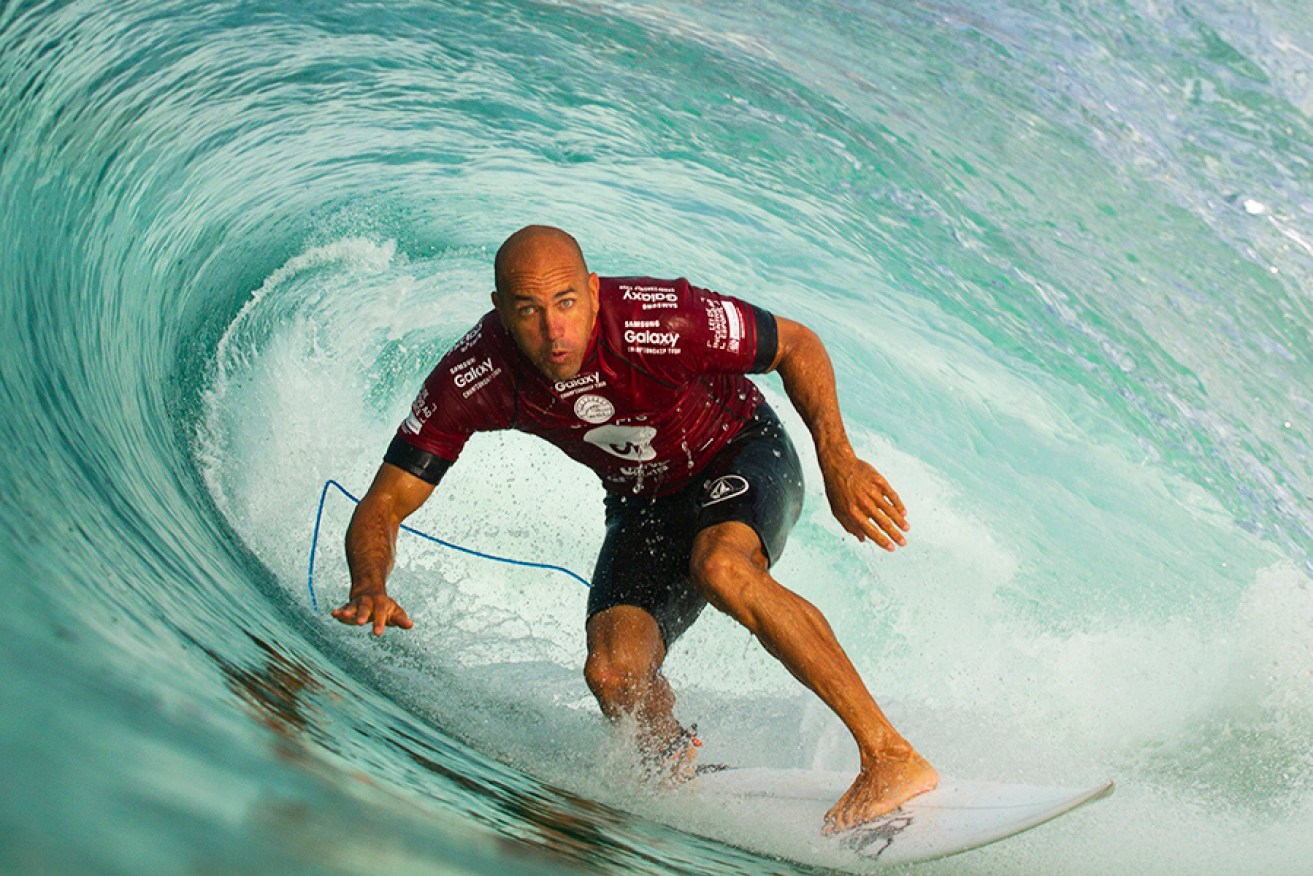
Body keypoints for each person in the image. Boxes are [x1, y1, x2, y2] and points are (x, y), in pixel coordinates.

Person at [332, 225, 938, 832]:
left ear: (593, 291)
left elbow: (797, 345)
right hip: (643, 500)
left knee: (722, 566)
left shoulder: (662, 320)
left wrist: (838, 459)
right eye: (529, 311)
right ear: (501, 313)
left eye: (567, 303)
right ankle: (672, 762)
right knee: (613, 674)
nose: (553, 330)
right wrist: (369, 584)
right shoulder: (477, 373)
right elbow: (384, 503)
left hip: (741, 453)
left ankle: (889, 756)